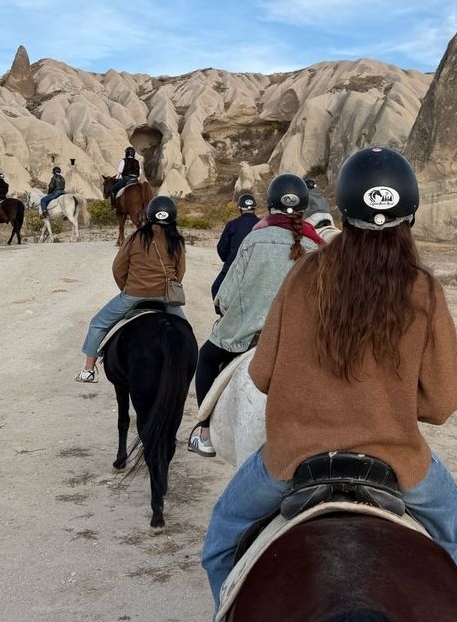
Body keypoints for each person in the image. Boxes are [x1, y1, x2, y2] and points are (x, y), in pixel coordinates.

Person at [196, 148, 457, 622]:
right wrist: (389, 402)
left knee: (221, 540)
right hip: (397, 461)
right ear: (410, 217)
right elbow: (442, 402)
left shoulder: (304, 277)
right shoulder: (423, 289)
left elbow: (264, 373)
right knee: (452, 525)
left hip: (293, 459)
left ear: (342, 214)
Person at [188, 174, 322, 457]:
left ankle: (205, 434)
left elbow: (226, 294)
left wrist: (226, 308)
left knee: (207, 359)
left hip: (249, 334)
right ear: (304, 208)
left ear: (270, 205)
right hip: (302, 341)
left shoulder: (254, 239)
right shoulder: (317, 246)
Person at [75, 195, 187, 383]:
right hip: (165, 298)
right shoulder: (177, 241)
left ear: (149, 215)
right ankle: (183, 369)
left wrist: (127, 289)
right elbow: (180, 271)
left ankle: (88, 370)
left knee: (98, 324)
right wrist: (167, 289)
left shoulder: (136, 237)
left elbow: (118, 268)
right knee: (185, 331)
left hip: (133, 295)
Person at [211, 191, 259, 305]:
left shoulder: (232, 224)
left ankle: (221, 315)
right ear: (254, 208)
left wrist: (227, 259)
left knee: (215, 288)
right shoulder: (262, 224)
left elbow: (221, 248)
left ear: (240, 208)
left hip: (232, 267)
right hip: (255, 268)